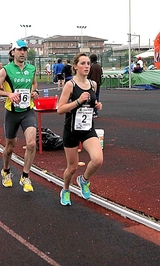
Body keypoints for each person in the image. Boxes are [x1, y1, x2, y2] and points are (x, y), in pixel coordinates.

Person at [0, 39, 39, 193]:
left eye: (25, 49)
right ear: (13, 52)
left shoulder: (31, 69)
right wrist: (9, 94)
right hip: (12, 113)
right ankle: (6, 171)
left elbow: (34, 84)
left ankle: (25, 176)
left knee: (31, 144)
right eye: (19, 50)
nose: (23, 52)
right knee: (10, 147)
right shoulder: (6, 70)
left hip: (28, 111)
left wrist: (34, 92)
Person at [57, 53, 103, 206]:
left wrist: (97, 105)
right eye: (83, 63)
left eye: (88, 63)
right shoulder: (70, 85)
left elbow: (92, 101)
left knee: (98, 160)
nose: (87, 66)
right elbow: (60, 109)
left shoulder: (93, 84)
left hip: (88, 128)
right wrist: (78, 101)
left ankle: (84, 180)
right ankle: (66, 189)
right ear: (75, 66)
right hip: (71, 130)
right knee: (72, 168)